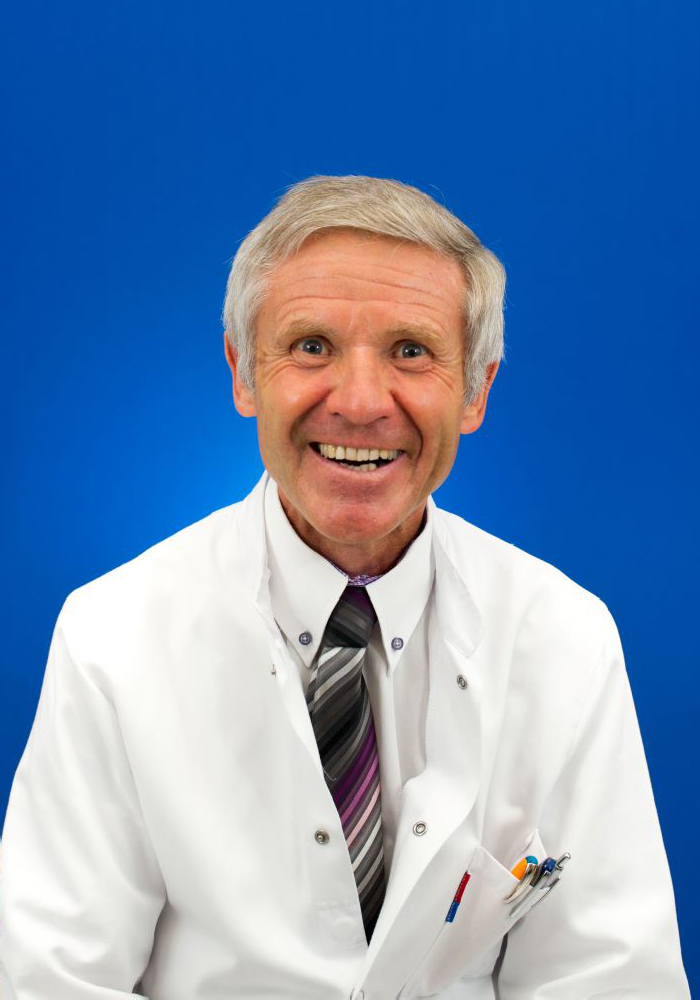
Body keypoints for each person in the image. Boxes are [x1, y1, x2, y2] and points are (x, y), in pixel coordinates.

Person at [0, 175, 690, 999]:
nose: (361, 404)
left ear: (476, 388)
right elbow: (49, 981)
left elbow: (610, 977)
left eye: (411, 351)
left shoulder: (566, 637)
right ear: (243, 374)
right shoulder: (111, 637)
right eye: (311, 346)